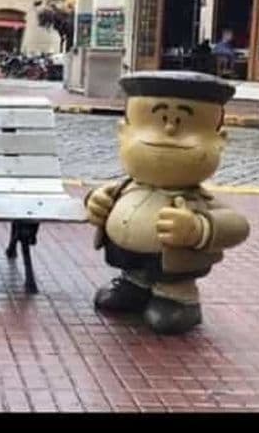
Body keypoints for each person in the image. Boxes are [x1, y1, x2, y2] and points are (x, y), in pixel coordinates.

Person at [84, 71, 249, 334]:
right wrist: (95, 201)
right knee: (133, 273)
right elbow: (99, 198)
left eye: (183, 122)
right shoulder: (125, 187)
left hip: (174, 266)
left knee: (171, 292)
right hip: (128, 256)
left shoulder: (198, 199)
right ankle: (134, 284)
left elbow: (237, 225)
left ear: (220, 141)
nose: (169, 129)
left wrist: (198, 228)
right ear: (123, 132)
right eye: (156, 120)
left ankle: (178, 298)